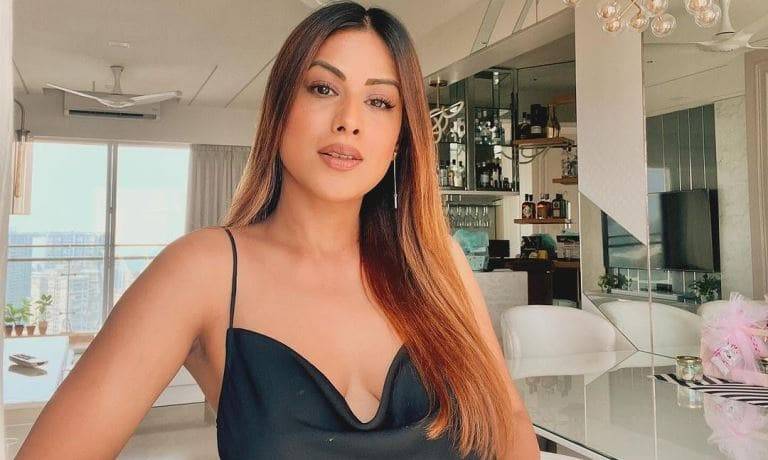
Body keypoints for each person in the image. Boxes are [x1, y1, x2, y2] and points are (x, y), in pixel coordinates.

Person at [15, 2, 538, 459]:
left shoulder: (437, 263)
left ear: (401, 138)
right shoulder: (203, 272)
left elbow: (510, 423)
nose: (349, 120)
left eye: (379, 101)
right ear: (280, 108)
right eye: (323, 88)